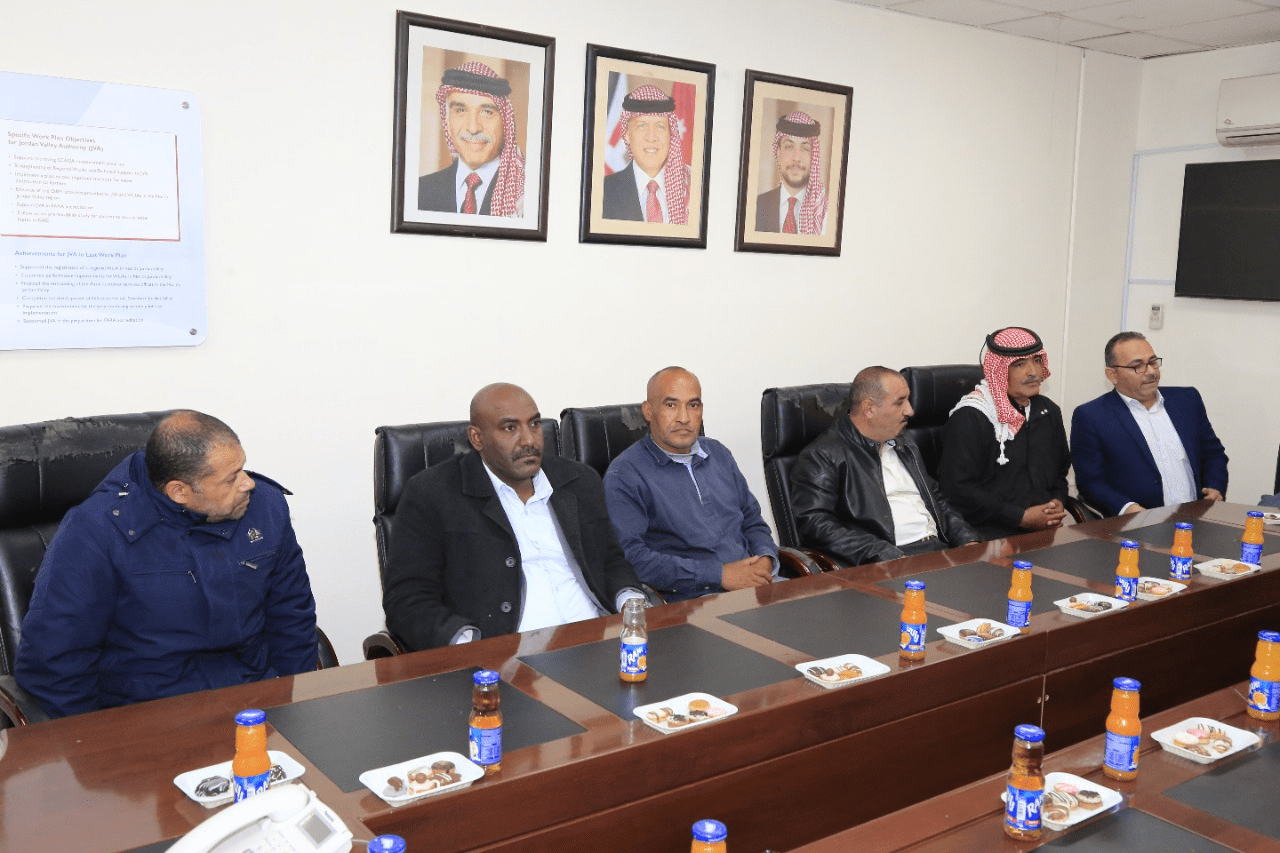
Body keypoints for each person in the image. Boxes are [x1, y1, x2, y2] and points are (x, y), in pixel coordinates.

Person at [15, 411, 317, 718]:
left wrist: (293, 703)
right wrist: (91, 739)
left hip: (253, 697)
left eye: (242, 468)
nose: (248, 483)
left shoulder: (265, 506)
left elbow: (292, 614)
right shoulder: (95, 532)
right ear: (179, 491)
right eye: (231, 478)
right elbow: (55, 658)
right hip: (148, 712)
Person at [383, 383, 645, 651]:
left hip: (600, 641)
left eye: (534, 424)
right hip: (507, 654)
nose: (529, 440)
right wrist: (469, 646)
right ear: (477, 438)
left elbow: (611, 561)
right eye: (510, 428)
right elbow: (406, 600)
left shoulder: (579, 480)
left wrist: (632, 603)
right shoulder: (432, 494)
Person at [604, 367, 779, 601]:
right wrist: (719, 575)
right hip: (695, 599)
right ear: (648, 411)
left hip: (756, 585)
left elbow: (752, 521)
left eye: (693, 405)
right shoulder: (625, 474)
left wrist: (765, 560)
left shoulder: (719, 454)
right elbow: (632, 558)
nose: (684, 418)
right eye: (671, 405)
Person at [790, 367, 981, 566]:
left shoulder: (905, 445)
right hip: (888, 560)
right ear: (869, 408)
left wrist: (967, 539)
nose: (910, 410)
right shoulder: (823, 455)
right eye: (900, 402)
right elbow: (815, 525)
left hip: (938, 551)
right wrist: (883, 553)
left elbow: (935, 499)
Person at [1071, 331, 1228, 516]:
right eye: (1137, 366)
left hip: (1196, 517)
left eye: (1153, 362)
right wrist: (1129, 508)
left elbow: (1213, 453)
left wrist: (1214, 487)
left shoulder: (1187, 400)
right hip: (1138, 523)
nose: (1151, 372)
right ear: (1112, 374)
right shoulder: (1092, 417)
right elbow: (1091, 482)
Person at [937, 327, 1071, 540]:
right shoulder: (971, 417)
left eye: (1037, 361)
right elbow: (958, 491)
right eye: (1020, 364)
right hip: (987, 535)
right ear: (998, 370)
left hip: (1045, 530)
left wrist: (1057, 501)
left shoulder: (1048, 411)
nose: (1033, 372)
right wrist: (1019, 517)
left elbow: (1060, 472)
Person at [418, 61, 524, 217]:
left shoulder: (525, 194)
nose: (473, 128)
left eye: (487, 112)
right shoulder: (420, 191)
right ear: (448, 121)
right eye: (460, 110)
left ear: (505, 123)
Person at [601, 85, 690, 224]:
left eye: (660, 126)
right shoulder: (603, 192)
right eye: (642, 125)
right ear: (627, 135)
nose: (651, 137)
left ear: (671, 134)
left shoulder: (691, 187)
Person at [755, 111, 828, 235]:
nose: (796, 158)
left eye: (805, 148)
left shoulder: (824, 211)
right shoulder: (757, 206)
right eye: (789, 147)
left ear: (814, 156)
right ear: (778, 153)